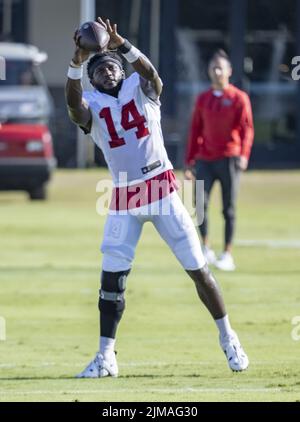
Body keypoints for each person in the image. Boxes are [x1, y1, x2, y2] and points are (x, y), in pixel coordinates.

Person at [65, 18, 249, 378]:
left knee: (199, 269)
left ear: (121, 69)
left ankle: (229, 338)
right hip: (122, 198)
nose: (106, 73)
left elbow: (152, 76)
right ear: (93, 80)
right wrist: (75, 62)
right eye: (98, 70)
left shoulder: (141, 88)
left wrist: (123, 46)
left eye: (111, 66)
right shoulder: (93, 104)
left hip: (162, 190)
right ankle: (106, 357)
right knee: (111, 281)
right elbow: (73, 106)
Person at [185, 50, 254, 271]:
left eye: (220, 68)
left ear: (229, 71)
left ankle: (227, 254)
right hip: (205, 159)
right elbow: (195, 130)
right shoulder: (203, 99)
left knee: (229, 208)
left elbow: (247, 130)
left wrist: (243, 155)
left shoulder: (238, 98)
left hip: (229, 159)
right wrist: (189, 161)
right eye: (213, 68)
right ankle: (205, 247)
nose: (216, 72)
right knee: (199, 204)